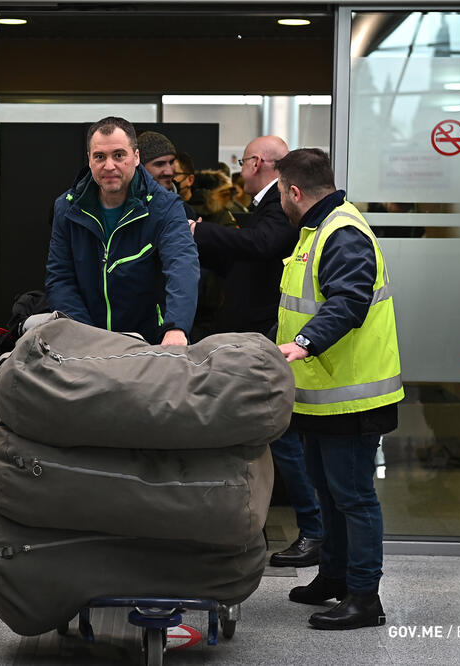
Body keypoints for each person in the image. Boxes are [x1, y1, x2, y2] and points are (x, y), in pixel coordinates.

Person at [275, 148, 404, 630]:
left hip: (353, 395)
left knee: (352, 496)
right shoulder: (315, 230)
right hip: (321, 395)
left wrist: (304, 344)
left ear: (294, 191)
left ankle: (365, 596)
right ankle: (333, 576)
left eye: (281, 195)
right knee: (328, 493)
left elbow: (349, 301)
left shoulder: (342, 233)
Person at [191, 136, 322, 568]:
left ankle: (316, 531)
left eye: (244, 161)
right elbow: (247, 260)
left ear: (260, 163)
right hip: (254, 336)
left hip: (268, 337)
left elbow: (261, 245)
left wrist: (199, 231)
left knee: (282, 441)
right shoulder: (265, 209)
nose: (239, 169)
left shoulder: (282, 209)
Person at [46, 117, 199, 345]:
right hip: (86, 344)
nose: (109, 166)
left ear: (136, 157)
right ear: (89, 160)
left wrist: (176, 328)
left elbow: (182, 267)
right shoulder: (67, 208)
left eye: (119, 155)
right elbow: (60, 278)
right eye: (100, 157)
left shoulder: (165, 207)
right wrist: (86, 337)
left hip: (149, 344)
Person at [138, 130, 196, 219]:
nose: (169, 172)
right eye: (159, 164)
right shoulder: (125, 208)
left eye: (172, 162)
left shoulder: (184, 210)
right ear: (141, 167)